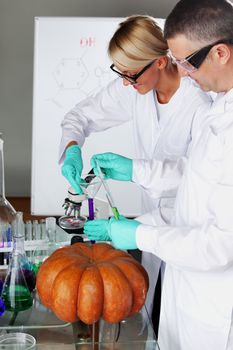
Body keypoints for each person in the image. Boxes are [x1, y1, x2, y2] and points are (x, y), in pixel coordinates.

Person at [84, 1, 233, 349]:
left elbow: (220, 245)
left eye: (186, 62)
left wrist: (142, 235)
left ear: (221, 53)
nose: (182, 71)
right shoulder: (222, 105)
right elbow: (196, 180)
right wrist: (135, 174)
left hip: (214, 304)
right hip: (187, 290)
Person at [59, 15, 211, 333]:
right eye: (122, 74)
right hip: (148, 228)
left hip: (191, 232)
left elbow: (198, 173)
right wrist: (72, 147)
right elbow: (80, 116)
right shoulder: (135, 87)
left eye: (131, 75)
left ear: (159, 61)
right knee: (152, 314)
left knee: (180, 322)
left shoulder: (201, 102)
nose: (126, 83)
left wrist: (135, 170)